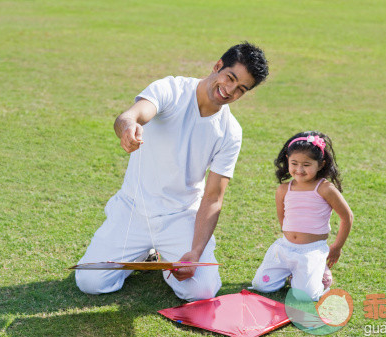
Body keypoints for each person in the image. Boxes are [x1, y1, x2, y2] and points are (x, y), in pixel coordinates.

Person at [75, 42, 269, 301]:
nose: (230, 90)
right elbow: (131, 115)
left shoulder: (231, 131)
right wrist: (127, 128)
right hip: (134, 207)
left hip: (180, 216)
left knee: (202, 291)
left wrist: (195, 252)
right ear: (217, 66)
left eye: (241, 89)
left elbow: (213, 197)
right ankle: (143, 254)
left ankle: (167, 259)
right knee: (89, 281)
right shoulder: (171, 89)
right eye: (230, 78)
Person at [251, 131, 353, 301]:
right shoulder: (283, 189)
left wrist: (336, 247)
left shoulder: (325, 188)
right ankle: (294, 273)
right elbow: (282, 217)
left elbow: (347, 217)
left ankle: (319, 272)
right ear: (287, 160)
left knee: (305, 296)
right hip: (284, 248)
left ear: (320, 165)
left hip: (311, 251)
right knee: (261, 285)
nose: (299, 169)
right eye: (294, 163)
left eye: (306, 164)